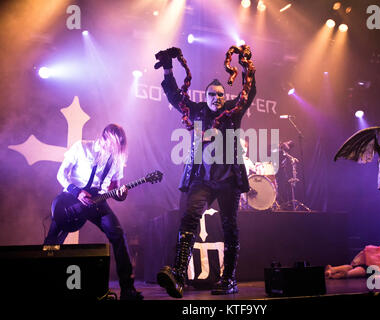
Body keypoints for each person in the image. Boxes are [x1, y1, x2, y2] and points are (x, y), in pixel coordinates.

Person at [155, 49, 256, 298]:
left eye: (221, 94)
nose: (217, 98)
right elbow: (174, 97)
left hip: (229, 179)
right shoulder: (197, 110)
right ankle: (178, 274)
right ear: (206, 96)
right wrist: (168, 69)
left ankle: (229, 278)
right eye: (213, 94)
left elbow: (248, 93)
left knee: (229, 226)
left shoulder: (233, 111)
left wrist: (246, 67)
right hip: (202, 178)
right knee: (189, 219)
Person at [44, 124, 143, 301]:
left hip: (98, 201)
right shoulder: (82, 147)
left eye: (119, 146)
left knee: (118, 235)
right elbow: (61, 174)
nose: (115, 150)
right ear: (104, 138)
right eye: (113, 145)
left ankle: (127, 289)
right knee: (54, 238)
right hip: (71, 198)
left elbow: (115, 188)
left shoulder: (117, 159)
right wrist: (77, 192)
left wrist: (121, 194)